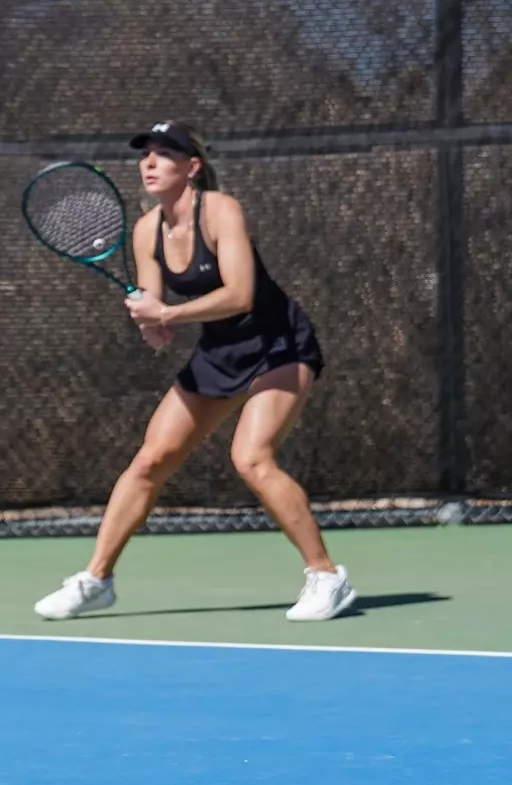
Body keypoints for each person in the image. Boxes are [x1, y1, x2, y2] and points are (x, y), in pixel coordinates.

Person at [35, 121, 355, 623]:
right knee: (149, 461)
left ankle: (326, 576)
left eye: (165, 154)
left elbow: (239, 294)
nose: (151, 162)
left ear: (192, 167)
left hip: (278, 344)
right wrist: (153, 325)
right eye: (146, 155)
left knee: (251, 458)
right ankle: (96, 580)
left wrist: (168, 316)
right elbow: (156, 307)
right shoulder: (146, 231)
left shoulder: (221, 211)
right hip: (219, 351)